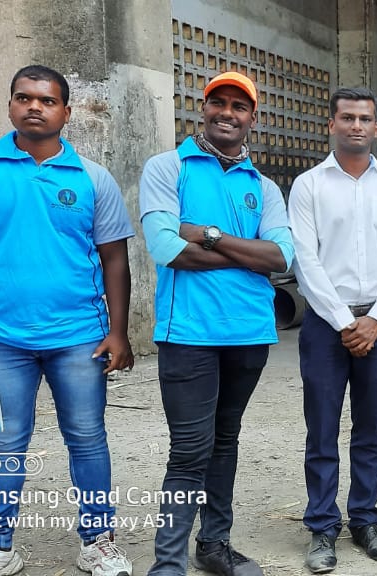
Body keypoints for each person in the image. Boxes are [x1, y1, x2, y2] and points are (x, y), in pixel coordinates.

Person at [0, 64, 135, 576]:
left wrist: (118, 332)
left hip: (79, 337)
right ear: (10, 105)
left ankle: (98, 542)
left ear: (66, 112)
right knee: (3, 441)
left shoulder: (93, 178)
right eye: (24, 98)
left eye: (47, 101)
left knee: (87, 437)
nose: (34, 107)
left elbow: (115, 259)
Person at [138, 71, 294, 576]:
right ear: (202, 108)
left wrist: (206, 234)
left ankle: (214, 545)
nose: (228, 113)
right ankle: (168, 562)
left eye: (239, 106)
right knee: (189, 450)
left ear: (252, 118)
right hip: (188, 333)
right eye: (218, 102)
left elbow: (281, 258)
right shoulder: (168, 168)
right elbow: (166, 248)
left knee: (225, 440)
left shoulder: (263, 187)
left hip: (249, 333)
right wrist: (246, 255)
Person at [289, 87, 377, 571]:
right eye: (347, 118)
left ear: (376, 127)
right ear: (332, 125)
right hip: (327, 325)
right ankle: (322, 527)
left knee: (370, 429)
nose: (356, 126)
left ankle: (365, 520)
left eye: (364, 118)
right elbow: (306, 260)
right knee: (321, 429)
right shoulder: (309, 186)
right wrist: (345, 322)